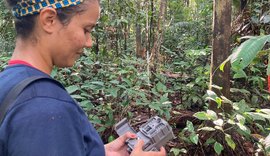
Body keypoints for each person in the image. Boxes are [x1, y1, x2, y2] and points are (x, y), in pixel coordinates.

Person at [0, 0, 167, 156]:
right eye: (86, 30)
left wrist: (96, 150)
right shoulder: (44, 107)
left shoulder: (9, 82)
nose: (89, 42)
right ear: (49, 20)